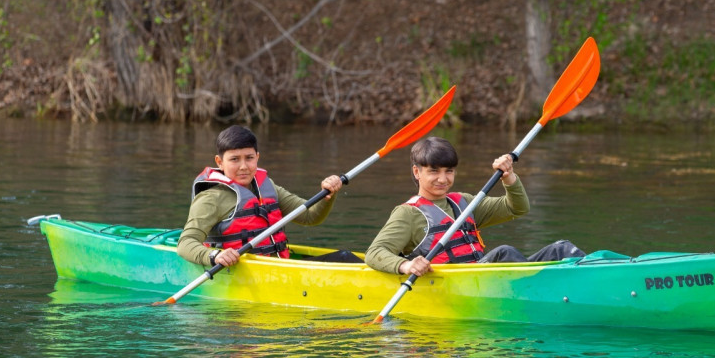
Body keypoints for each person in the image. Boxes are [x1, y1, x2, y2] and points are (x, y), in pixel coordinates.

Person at [365, 136, 585, 276]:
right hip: (453, 283)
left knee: (562, 248)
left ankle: (602, 276)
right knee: (504, 252)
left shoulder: (464, 202)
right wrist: (406, 266)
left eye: (448, 171)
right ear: (417, 172)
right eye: (434, 171)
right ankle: (544, 296)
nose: (443, 179)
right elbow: (375, 253)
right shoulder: (408, 213)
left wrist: (508, 177)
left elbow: (516, 208)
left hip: (482, 277)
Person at [178, 125, 357, 268]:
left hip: (279, 267)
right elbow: (186, 243)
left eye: (249, 158)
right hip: (243, 273)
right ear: (219, 162)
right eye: (234, 159)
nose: (243, 166)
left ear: (257, 157)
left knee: (345, 257)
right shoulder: (211, 198)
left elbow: (310, 216)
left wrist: (327, 195)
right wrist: (215, 256)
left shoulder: (267, 186)